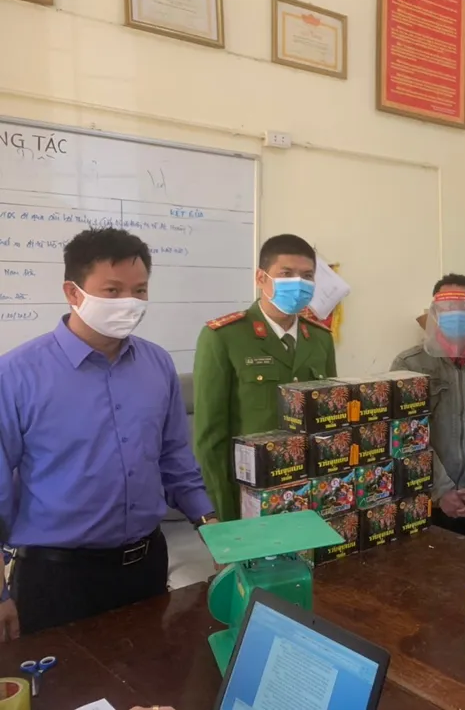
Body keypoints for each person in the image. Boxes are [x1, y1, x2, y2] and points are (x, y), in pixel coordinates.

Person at [0, 229, 217, 641]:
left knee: (151, 674)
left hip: (146, 567)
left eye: (140, 290)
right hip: (58, 579)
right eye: (113, 290)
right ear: (73, 292)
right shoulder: (16, 375)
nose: (128, 302)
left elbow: (175, 460)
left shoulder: (157, 365)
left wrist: (212, 528)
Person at [193, 234, 337, 521]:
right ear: (261, 278)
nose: (299, 283)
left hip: (311, 494)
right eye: (287, 274)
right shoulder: (224, 337)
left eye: (307, 276)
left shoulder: (320, 339)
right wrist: (222, 515)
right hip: (250, 495)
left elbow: (331, 420)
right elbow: (210, 440)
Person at [391, 274, 465, 540]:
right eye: (448, 307)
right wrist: (441, 490)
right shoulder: (409, 364)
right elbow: (407, 435)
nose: (456, 314)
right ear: (436, 312)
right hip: (425, 499)